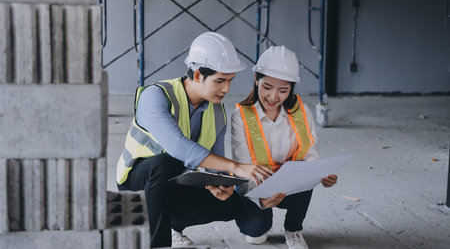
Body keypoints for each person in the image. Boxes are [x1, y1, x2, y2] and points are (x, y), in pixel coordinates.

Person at [115, 32, 272, 248]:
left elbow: (215, 167)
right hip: (137, 186)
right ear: (198, 75)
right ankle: (156, 244)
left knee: (232, 204)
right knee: (166, 162)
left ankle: (171, 224)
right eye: (220, 81)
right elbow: (178, 147)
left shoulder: (217, 112)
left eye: (230, 81)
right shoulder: (155, 95)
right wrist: (236, 167)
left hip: (176, 184)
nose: (226, 89)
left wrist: (220, 185)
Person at [231, 45, 338, 249]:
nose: (273, 97)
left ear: (291, 89)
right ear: (256, 80)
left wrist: (322, 173)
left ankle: (294, 230)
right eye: (267, 87)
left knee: (305, 171)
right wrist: (262, 200)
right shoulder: (242, 117)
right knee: (255, 231)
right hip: (256, 184)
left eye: (283, 90)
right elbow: (244, 166)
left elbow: (309, 152)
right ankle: (260, 221)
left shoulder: (300, 111)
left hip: (290, 184)